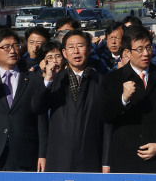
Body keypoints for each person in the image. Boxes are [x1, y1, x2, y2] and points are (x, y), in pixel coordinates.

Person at [101, 26, 156, 173]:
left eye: (148, 48)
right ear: (127, 52)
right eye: (139, 49)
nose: (146, 54)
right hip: (126, 159)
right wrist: (123, 99)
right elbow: (106, 116)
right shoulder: (112, 79)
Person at [33, 30, 109, 172]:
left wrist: (106, 162)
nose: (76, 52)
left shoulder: (101, 81)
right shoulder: (54, 81)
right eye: (71, 47)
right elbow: (37, 107)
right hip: (59, 156)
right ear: (64, 52)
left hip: (91, 156)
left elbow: (107, 124)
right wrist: (48, 80)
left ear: (90, 49)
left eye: (80, 46)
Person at [0, 29, 47, 171]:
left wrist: (42, 154)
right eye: (6, 47)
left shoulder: (33, 79)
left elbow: (41, 118)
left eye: (16, 45)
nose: (12, 51)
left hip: (25, 154)